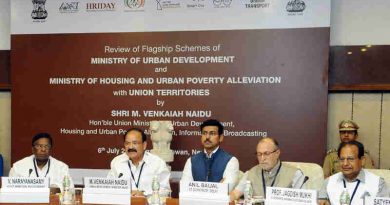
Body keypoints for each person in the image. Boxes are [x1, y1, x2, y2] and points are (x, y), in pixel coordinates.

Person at [230, 137, 305, 201]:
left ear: (277, 153)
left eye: (266, 153)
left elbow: (304, 201)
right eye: (259, 154)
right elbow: (235, 194)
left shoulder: (294, 174)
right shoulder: (251, 173)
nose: (262, 158)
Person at [318, 141, 389, 205]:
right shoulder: (328, 182)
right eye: (342, 159)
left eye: (350, 159)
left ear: (362, 161)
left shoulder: (378, 184)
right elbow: (320, 201)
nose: (345, 163)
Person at [107, 128, 170, 196]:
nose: (130, 147)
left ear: (144, 145)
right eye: (127, 143)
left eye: (135, 143)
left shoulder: (157, 163)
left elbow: (165, 191)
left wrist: (144, 194)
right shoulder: (117, 162)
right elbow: (109, 188)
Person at [181, 119, 239, 192]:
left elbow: (225, 191)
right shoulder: (191, 161)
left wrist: (196, 189)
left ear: (221, 137)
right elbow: (185, 189)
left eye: (212, 133)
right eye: (204, 133)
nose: (207, 137)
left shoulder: (231, 161)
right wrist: (217, 187)